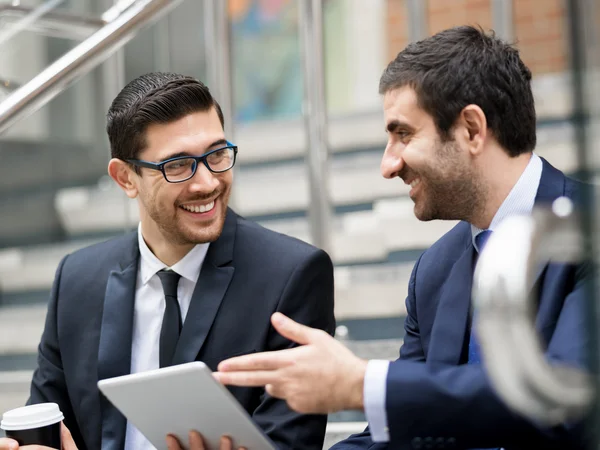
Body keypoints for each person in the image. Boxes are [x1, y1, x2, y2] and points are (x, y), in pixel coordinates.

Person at [214, 26, 591, 449]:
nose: (388, 165)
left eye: (403, 134)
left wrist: (362, 383)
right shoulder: (434, 271)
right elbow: (405, 430)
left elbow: (563, 400)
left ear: (471, 129)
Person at [0, 72, 335, 450]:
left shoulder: (292, 275)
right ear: (126, 178)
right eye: (177, 165)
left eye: (217, 154)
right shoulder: (77, 279)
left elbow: (291, 441)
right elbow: (49, 423)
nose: (207, 182)